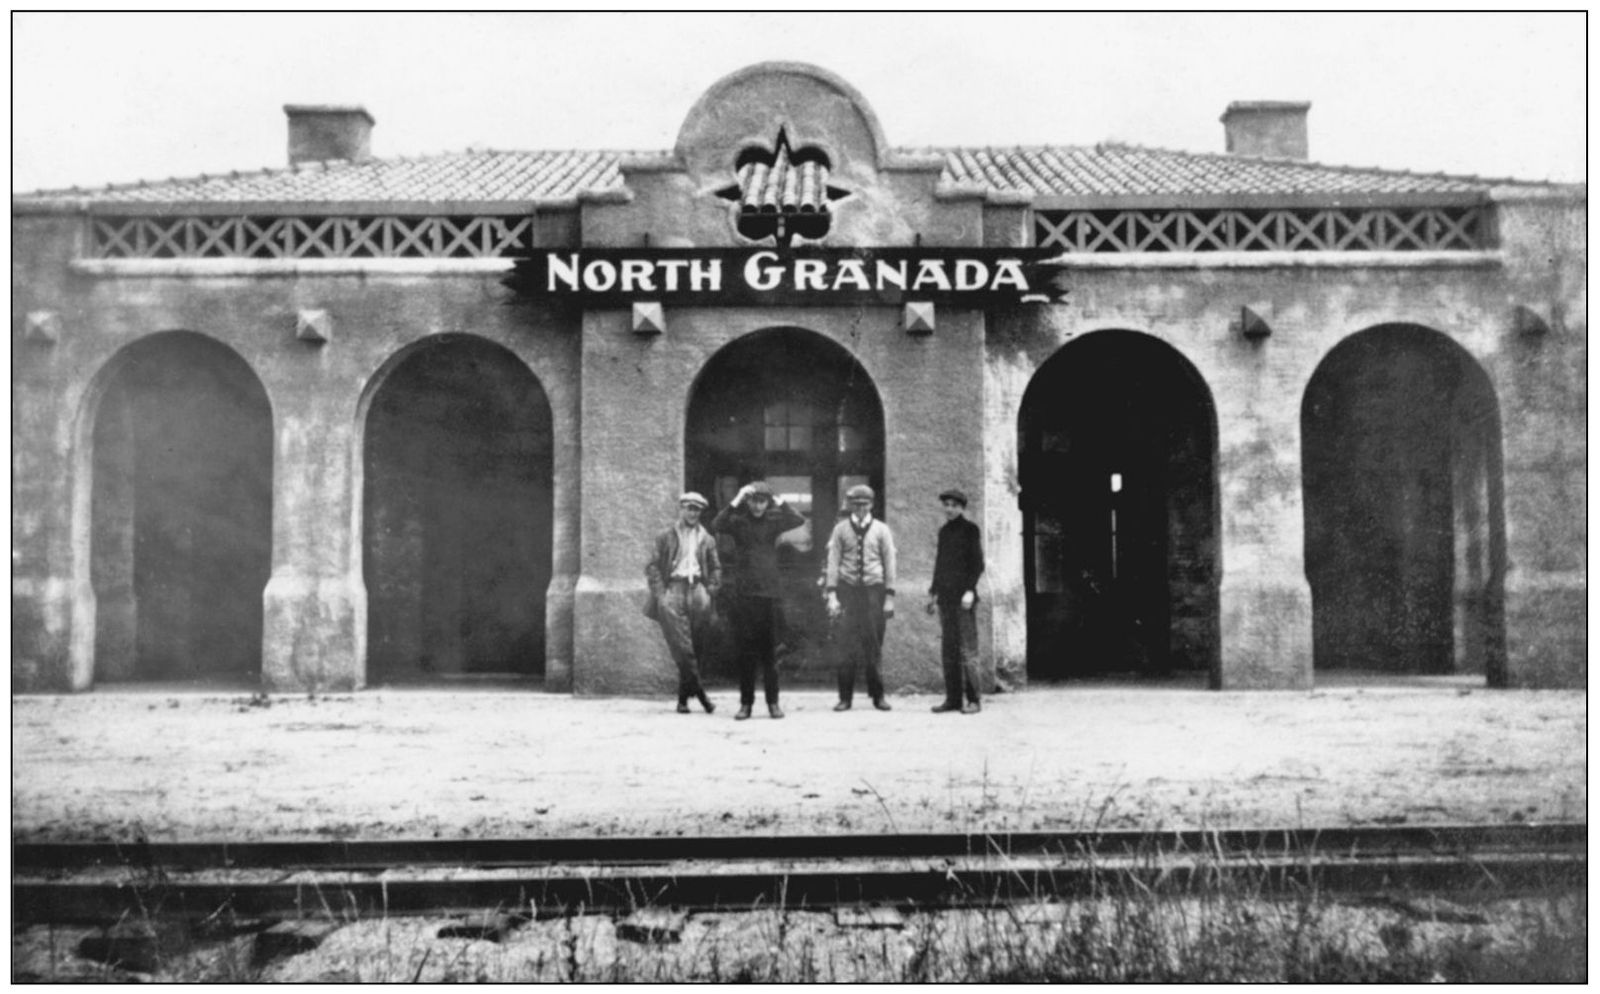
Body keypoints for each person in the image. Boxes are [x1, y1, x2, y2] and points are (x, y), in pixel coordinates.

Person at [712, 481, 806, 720]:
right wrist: (736, 499)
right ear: (748, 501)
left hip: (769, 595)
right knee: (746, 653)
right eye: (754, 500)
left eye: (762, 501)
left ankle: (773, 703)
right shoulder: (738, 521)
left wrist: (778, 498)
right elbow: (716, 524)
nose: (758, 505)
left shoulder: (774, 521)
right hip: (745, 595)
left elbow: (798, 519)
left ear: (767, 503)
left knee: (770, 654)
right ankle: (746, 705)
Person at [643, 492, 721, 714]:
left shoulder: (707, 538)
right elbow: (652, 566)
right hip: (673, 591)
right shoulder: (665, 536)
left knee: (695, 647)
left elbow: (716, 567)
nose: (692, 513)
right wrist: (661, 594)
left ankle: (683, 700)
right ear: (681, 509)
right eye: (688, 508)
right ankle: (703, 696)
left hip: (698, 591)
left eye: (697, 509)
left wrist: (710, 590)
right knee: (681, 647)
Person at [825, 484, 897, 712]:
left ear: (872, 505)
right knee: (845, 646)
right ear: (850, 506)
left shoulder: (881, 530)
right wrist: (832, 594)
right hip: (847, 592)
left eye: (864, 504)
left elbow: (890, 563)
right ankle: (845, 698)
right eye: (856, 504)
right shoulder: (840, 529)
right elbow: (833, 561)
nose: (860, 508)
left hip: (873, 593)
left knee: (873, 644)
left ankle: (878, 697)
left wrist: (889, 596)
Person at [926, 488, 984, 714]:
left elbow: (977, 564)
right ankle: (953, 699)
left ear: (962, 507)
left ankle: (974, 700)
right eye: (946, 505)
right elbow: (939, 566)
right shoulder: (944, 532)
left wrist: (970, 590)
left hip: (964, 600)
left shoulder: (971, 530)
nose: (949, 509)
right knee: (948, 650)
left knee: (967, 650)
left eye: (953, 505)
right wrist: (933, 593)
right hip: (946, 600)